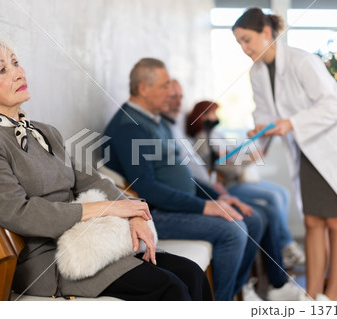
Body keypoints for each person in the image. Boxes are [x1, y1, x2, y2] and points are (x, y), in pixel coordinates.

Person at [0, 36, 212, 301]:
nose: (18, 73)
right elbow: (20, 214)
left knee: (191, 273)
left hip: (92, 241)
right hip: (53, 261)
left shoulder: (45, 131)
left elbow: (90, 180)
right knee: (170, 288)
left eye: (16, 62)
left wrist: (132, 212)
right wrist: (107, 209)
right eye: (2, 70)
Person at [103, 58, 301, 300]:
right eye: (165, 86)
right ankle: (221, 304)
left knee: (254, 218)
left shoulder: (156, 122)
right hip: (157, 215)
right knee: (234, 230)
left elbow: (183, 177)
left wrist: (221, 198)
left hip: (178, 206)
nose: (171, 92)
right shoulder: (129, 126)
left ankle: (230, 293)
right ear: (144, 89)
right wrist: (206, 206)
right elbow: (148, 190)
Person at [232, 8, 337, 301]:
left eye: (247, 40)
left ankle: (332, 299)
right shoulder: (258, 73)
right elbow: (264, 115)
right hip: (306, 150)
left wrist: (290, 124)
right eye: (239, 43)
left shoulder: (302, 61)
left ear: (266, 32)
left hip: (336, 147)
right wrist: (258, 137)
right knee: (313, 222)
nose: (244, 48)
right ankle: (312, 296)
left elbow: (332, 106)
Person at [162, 80, 301, 301]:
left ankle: (247, 285)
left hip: (213, 188)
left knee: (271, 203)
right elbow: (223, 166)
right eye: (211, 114)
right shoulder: (195, 138)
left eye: (180, 97)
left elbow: (208, 168)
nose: (215, 118)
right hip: (222, 185)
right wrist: (218, 190)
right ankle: (256, 280)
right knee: (264, 209)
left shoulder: (191, 134)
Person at [185, 99, 305, 270]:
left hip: (241, 179)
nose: (215, 116)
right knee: (273, 197)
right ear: (201, 116)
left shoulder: (215, 135)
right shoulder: (202, 139)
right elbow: (227, 168)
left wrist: (248, 155)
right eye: (212, 113)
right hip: (230, 184)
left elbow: (232, 157)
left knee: (283, 193)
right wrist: (250, 159)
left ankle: (285, 245)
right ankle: (286, 246)